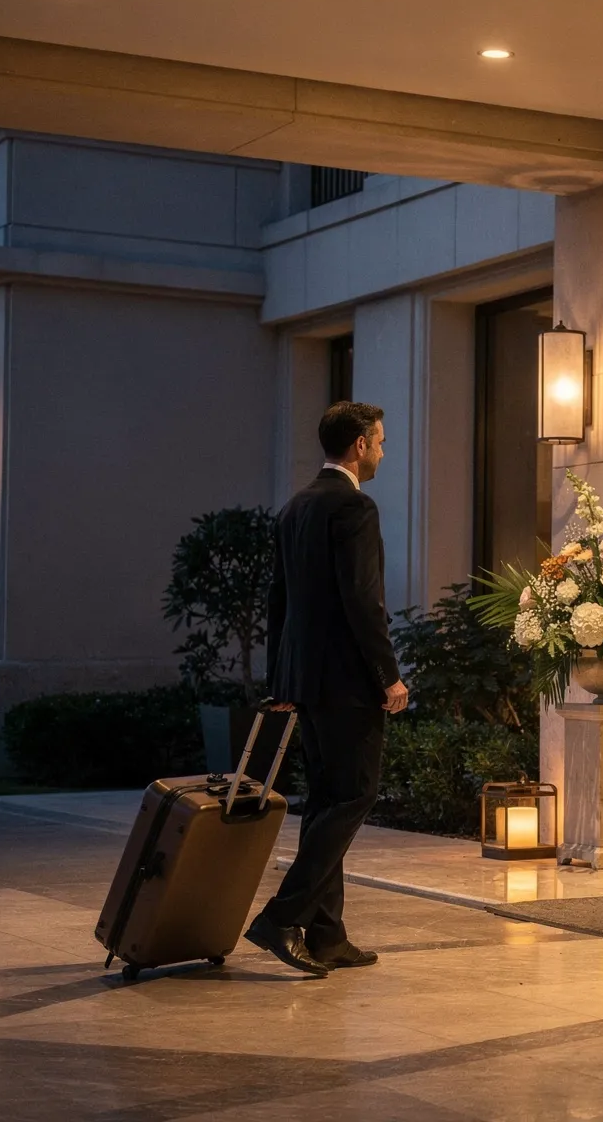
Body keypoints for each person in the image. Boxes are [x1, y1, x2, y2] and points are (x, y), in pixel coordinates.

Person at [245, 401, 409, 976]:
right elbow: (365, 602)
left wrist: (280, 679)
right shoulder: (354, 508)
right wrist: (388, 674)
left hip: (306, 683)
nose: (384, 451)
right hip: (347, 683)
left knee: (324, 801)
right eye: (381, 441)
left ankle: (328, 935)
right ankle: (280, 916)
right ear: (360, 445)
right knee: (355, 795)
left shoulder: (295, 508)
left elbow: (278, 602)